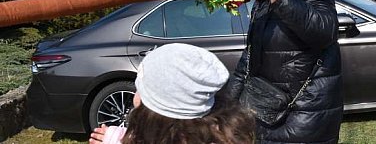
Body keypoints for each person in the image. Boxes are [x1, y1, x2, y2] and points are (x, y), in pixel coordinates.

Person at [224, 0, 343, 143]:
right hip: (268, 108)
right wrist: (226, 105)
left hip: (305, 112)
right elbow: (249, 59)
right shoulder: (263, 0)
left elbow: (325, 32)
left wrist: (282, 0)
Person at [88, 43, 254, 144]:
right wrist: (121, 138)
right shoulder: (213, 134)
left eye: (141, 88)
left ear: (157, 114)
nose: (135, 96)